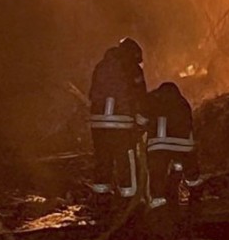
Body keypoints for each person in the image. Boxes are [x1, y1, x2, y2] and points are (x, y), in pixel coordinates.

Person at [88, 38, 147, 199]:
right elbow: (140, 97)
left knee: (103, 159)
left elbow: (92, 93)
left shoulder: (101, 66)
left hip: (98, 123)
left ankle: (101, 198)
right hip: (122, 123)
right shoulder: (132, 68)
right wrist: (142, 122)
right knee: (125, 160)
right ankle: (130, 200)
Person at [144, 81, 206, 209]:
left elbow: (143, 119)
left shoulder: (154, 103)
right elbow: (190, 124)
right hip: (183, 146)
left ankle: (158, 201)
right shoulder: (182, 103)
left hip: (158, 146)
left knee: (157, 173)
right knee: (190, 172)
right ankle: (196, 196)